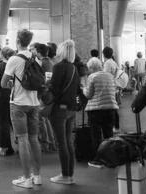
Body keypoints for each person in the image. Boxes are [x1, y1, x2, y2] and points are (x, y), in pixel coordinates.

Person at [2, 29, 42, 189]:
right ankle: (37, 176)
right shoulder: (35, 58)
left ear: (17, 41)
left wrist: (12, 84)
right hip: (34, 104)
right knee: (34, 139)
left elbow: (3, 83)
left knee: (23, 140)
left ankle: (26, 178)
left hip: (18, 103)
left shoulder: (14, 59)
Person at [47, 40, 80, 185]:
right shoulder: (74, 68)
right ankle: (69, 174)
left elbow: (54, 88)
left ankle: (65, 175)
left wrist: (47, 83)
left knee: (61, 143)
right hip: (71, 109)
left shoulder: (58, 67)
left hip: (59, 109)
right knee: (68, 142)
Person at [84, 57, 118, 168]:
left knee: (96, 136)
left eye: (89, 68)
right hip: (110, 109)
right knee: (109, 136)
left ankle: (98, 160)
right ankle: (110, 158)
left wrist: (83, 88)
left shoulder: (92, 77)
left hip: (96, 110)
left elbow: (88, 94)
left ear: (92, 67)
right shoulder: (110, 76)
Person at [34, 43, 56, 153]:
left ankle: (45, 142)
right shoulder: (51, 62)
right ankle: (51, 142)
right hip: (50, 94)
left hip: (44, 94)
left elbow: (42, 80)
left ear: (38, 52)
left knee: (40, 118)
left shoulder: (41, 64)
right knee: (46, 119)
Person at [102, 47, 121, 133]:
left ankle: (115, 127)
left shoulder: (107, 63)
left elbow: (105, 76)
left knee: (111, 108)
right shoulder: (114, 62)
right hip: (114, 87)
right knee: (113, 107)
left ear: (104, 54)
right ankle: (116, 126)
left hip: (109, 88)